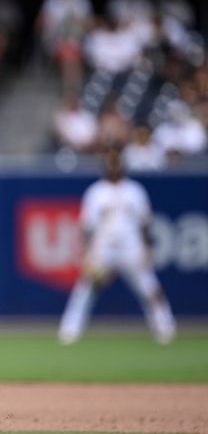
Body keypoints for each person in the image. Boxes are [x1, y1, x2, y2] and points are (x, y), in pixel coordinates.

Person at [58, 148, 177, 345]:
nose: (113, 166)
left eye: (116, 162)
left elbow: (145, 223)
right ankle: (70, 330)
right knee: (86, 288)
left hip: (131, 247)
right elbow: (87, 226)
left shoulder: (135, 190)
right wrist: (87, 252)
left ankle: (165, 326)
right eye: (110, 162)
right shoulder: (96, 191)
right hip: (103, 248)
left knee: (149, 287)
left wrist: (147, 246)